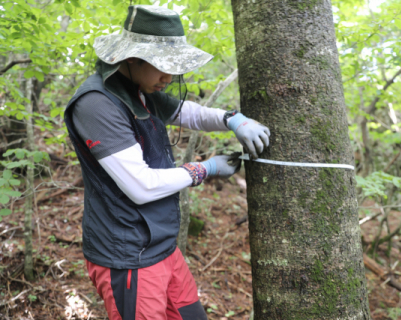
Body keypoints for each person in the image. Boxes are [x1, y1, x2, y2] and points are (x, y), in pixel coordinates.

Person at [63, 5, 270, 320]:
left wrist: (233, 120)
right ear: (131, 58)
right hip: (128, 256)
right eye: (162, 66)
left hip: (162, 248)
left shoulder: (138, 90)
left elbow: (188, 112)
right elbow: (141, 187)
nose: (169, 77)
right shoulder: (96, 104)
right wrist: (204, 169)